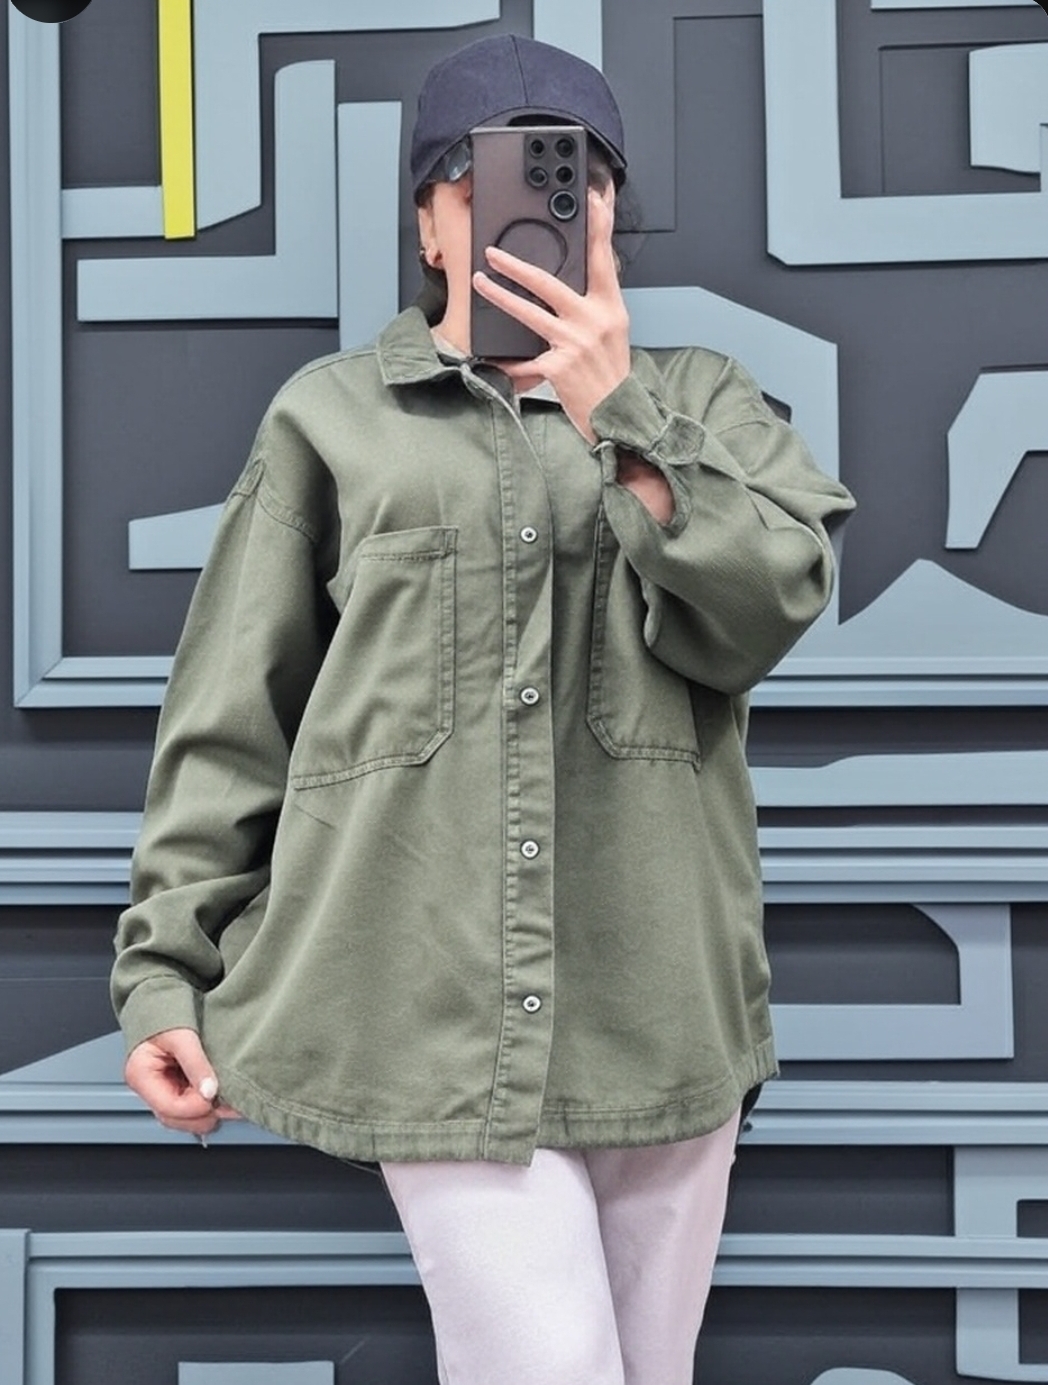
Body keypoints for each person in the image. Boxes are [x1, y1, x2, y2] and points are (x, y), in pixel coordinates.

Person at [112, 32, 855, 1385]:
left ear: (609, 213)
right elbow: (232, 712)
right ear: (430, 222)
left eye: (581, 182)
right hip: (425, 1006)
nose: (544, 211)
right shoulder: (332, 420)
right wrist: (164, 969)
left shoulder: (702, 402)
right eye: (486, 180)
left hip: (662, 1004)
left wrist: (623, 419)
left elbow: (774, 600)